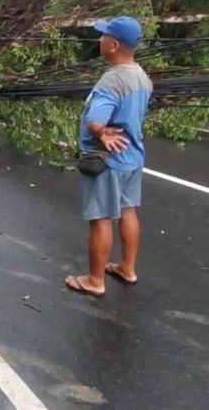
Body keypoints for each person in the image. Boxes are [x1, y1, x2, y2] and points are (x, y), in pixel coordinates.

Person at [65, 16, 153, 297]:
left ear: (114, 45)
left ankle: (94, 280)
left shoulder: (112, 80)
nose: (100, 41)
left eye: (103, 37)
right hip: (132, 158)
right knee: (128, 212)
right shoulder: (142, 76)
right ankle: (127, 268)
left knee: (101, 218)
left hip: (107, 161)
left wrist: (101, 134)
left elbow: (95, 119)